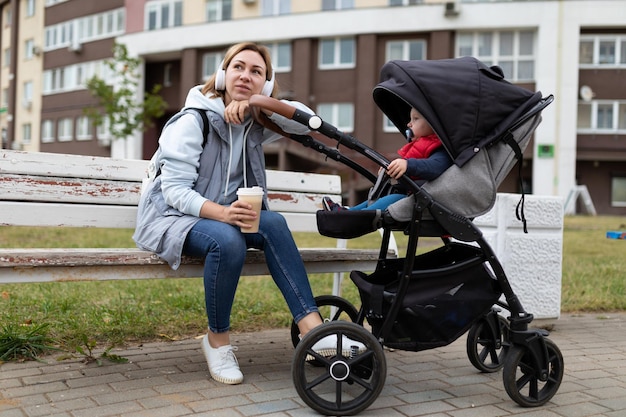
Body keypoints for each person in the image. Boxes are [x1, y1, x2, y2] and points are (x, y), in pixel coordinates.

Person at [133, 42, 362, 386]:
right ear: (223, 74)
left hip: (224, 215)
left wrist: (260, 104)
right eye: (239, 67)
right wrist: (223, 214)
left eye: (257, 72)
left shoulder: (256, 121)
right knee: (227, 241)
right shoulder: (193, 121)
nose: (246, 75)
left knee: (273, 222)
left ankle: (313, 330)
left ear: (266, 84)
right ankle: (217, 341)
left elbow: (305, 123)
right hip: (174, 218)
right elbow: (174, 192)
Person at [323, 107, 452, 211]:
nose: (409, 123)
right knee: (376, 200)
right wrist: (391, 168)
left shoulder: (440, 148)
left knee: (387, 201)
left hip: (420, 199)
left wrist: (407, 165)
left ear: (433, 123)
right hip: (409, 193)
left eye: (416, 119)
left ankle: (353, 217)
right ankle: (348, 213)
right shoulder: (421, 144)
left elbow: (435, 167)